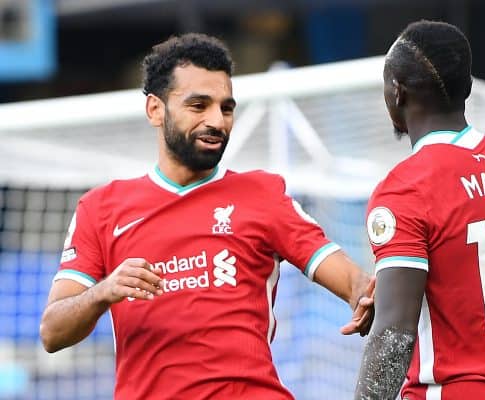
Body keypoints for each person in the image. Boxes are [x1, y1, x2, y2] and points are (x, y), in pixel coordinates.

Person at [39, 33, 374, 400]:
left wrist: (364, 293)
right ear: (155, 109)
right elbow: (53, 332)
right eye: (199, 105)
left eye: (226, 108)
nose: (217, 121)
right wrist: (102, 292)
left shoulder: (262, 194)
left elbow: (350, 279)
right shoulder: (101, 208)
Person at [354, 20, 485, 400]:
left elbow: (394, 334)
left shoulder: (406, 187)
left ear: (396, 92)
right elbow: (469, 264)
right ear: (467, 88)